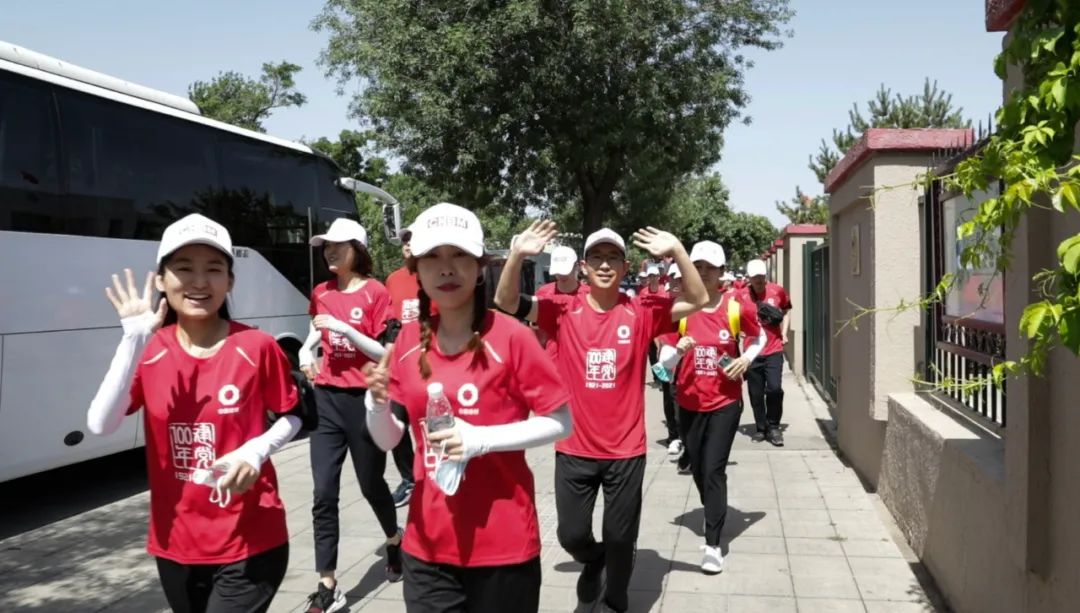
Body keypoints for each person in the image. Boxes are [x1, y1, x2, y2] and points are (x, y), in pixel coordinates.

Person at [362, 202, 573, 613]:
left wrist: (481, 440)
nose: (446, 269)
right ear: (416, 270)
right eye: (432, 257)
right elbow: (389, 440)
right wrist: (375, 404)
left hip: (504, 543)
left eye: (459, 255)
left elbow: (560, 422)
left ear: (479, 268)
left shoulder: (511, 336)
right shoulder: (407, 341)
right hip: (427, 544)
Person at [87, 214, 302, 613]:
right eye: (184, 268)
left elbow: (294, 414)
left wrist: (255, 452)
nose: (199, 282)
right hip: (174, 541)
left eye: (214, 269)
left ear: (230, 281)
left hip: (250, 539)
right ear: (160, 280)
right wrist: (132, 340)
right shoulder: (149, 349)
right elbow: (101, 424)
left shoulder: (256, 346)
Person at [495, 222, 709, 613]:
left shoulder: (642, 311)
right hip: (574, 446)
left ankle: (615, 600)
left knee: (620, 537)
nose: (605, 265)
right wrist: (517, 255)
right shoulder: (563, 309)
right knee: (571, 535)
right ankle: (593, 561)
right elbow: (506, 301)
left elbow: (698, 297)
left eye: (613, 258)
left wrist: (678, 249)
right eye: (597, 257)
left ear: (625, 267)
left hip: (626, 450)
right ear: (584, 267)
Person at [303, 218, 403, 613]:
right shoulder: (321, 291)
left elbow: (384, 353)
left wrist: (345, 329)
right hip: (326, 400)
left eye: (338, 245)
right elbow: (316, 330)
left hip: (363, 400)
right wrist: (305, 352)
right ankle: (327, 582)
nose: (329, 251)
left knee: (371, 484)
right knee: (323, 492)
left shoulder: (377, 292)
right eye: (325, 246)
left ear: (357, 250)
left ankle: (394, 540)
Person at [671, 242, 766, 573]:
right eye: (697, 266)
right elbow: (663, 355)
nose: (702, 272)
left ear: (722, 272)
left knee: (713, 469)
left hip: (725, 402)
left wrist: (746, 358)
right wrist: (676, 351)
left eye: (709, 267)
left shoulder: (735, 307)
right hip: (688, 401)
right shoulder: (680, 308)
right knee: (698, 468)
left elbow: (759, 337)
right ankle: (712, 507)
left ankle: (713, 544)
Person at [382, 229, 431, 508]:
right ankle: (409, 479)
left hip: (430, 364)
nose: (408, 244)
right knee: (396, 425)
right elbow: (390, 321)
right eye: (404, 241)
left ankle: (432, 476)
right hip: (400, 366)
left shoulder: (432, 275)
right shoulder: (393, 279)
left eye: (413, 239)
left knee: (430, 426)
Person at [740, 259, 792, 446]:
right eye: (755, 277)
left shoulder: (777, 291)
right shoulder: (741, 295)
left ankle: (774, 426)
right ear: (749, 278)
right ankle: (761, 428)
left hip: (774, 349)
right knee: (755, 393)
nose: (759, 280)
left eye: (761, 276)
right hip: (752, 352)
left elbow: (786, 310)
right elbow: (731, 316)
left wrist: (784, 333)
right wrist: (738, 330)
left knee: (774, 389)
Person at [534, 245, 588, 358]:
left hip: (580, 359)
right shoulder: (543, 293)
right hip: (551, 360)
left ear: (577, 266)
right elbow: (537, 332)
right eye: (558, 270)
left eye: (566, 270)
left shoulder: (589, 295)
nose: (562, 275)